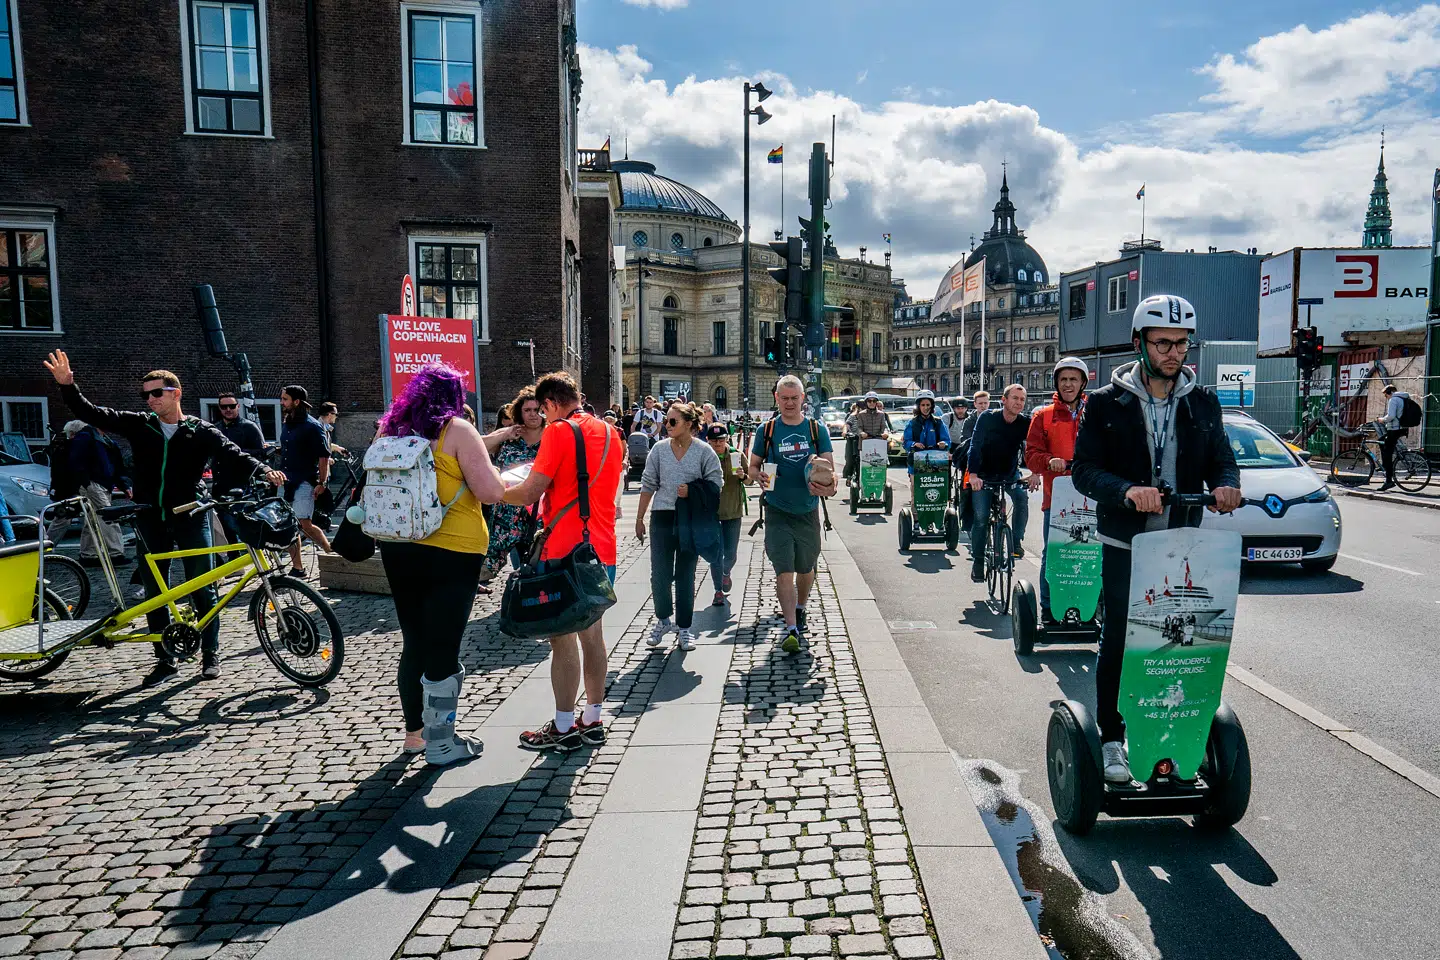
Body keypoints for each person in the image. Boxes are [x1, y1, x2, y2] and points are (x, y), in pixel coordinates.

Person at [1072, 294, 1242, 784]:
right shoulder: (1106, 403)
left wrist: (1226, 485)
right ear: (1140, 343)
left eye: (1182, 344)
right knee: (1123, 639)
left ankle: (1178, 732)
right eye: (1163, 343)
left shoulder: (1204, 402)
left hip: (1185, 541)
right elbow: (1084, 471)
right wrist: (1126, 491)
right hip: (1127, 543)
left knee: (1185, 642)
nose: (1174, 353)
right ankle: (1110, 737)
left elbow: (1220, 458)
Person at [42, 350, 283, 682]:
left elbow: (234, 453)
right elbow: (93, 413)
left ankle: (210, 654)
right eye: (146, 394)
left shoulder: (200, 430)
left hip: (191, 513)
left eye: (157, 393)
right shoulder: (140, 425)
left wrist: (264, 469)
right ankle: (166, 659)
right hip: (149, 515)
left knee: (204, 585)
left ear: (176, 393)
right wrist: (67, 385)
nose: (150, 399)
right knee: (156, 589)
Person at [374, 363, 505, 765]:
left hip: (399, 546)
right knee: (444, 645)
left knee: (414, 640)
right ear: (454, 397)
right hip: (453, 549)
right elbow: (489, 491)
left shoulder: (389, 430)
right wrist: (500, 474)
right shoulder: (457, 431)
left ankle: (415, 736)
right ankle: (441, 743)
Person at [503, 372, 624, 752]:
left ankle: (562, 725)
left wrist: (493, 488)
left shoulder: (557, 432)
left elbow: (530, 490)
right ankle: (593, 718)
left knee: (562, 640)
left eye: (543, 410)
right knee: (594, 638)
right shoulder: (610, 432)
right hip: (601, 547)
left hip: (564, 550)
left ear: (550, 405)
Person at [748, 375, 837, 653]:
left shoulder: (815, 429)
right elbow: (752, 468)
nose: (789, 403)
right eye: (784, 398)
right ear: (776, 398)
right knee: (784, 569)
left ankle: (800, 607)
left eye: (794, 398)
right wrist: (757, 476)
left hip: (808, 510)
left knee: (806, 567)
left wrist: (828, 487)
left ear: (802, 399)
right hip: (777, 510)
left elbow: (830, 473)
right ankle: (790, 628)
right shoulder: (768, 429)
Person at [635, 402, 721, 650]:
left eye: (673, 421)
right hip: (661, 516)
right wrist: (639, 518)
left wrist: (692, 490)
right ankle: (663, 620)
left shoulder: (704, 451)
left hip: (689, 519)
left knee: (685, 574)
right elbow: (648, 483)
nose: (667, 426)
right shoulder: (659, 450)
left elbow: (717, 483)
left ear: (690, 425)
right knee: (660, 574)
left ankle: (684, 628)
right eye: (667, 421)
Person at [1025, 358, 1090, 620]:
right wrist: (1048, 461)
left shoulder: (1094, 414)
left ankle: (1091, 605)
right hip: (1058, 498)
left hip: (1091, 496)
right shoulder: (1044, 416)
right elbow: (1031, 454)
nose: (1068, 384)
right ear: (1056, 383)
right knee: (1055, 552)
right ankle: (1050, 609)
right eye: (1063, 379)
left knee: (1091, 553)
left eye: (1073, 379)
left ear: (1083, 382)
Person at [967, 384, 1041, 582]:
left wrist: (1035, 473)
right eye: (1015, 398)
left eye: (1022, 399)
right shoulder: (988, 418)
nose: (1019, 403)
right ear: (1004, 400)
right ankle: (978, 561)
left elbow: (1034, 447)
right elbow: (975, 445)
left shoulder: (1025, 422)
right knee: (981, 518)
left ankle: (1016, 542)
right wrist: (973, 475)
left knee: (1021, 498)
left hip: (1009, 474)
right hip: (983, 474)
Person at [479, 386, 545, 593]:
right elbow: (477, 447)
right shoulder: (510, 435)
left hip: (540, 508)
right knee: (491, 557)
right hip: (508, 510)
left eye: (537, 409)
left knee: (539, 556)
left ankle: (531, 594)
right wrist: (503, 434)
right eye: (528, 410)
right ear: (520, 413)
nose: (533, 414)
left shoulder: (552, 435)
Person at [44, 420, 127, 565]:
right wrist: (86, 484)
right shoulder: (86, 442)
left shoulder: (80, 444)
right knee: (68, 519)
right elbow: (67, 470)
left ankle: (87, 553)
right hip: (75, 488)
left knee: (87, 521)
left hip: (75, 488)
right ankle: (111, 552)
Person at [277, 385, 332, 577]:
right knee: (288, 525)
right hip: (285, 480)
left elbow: (323, 456)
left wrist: (322, 483)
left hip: (305, 481)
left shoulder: (312, 426)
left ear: (297, 401)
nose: (282, 402)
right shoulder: (287, 422)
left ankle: (329, 551)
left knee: (303, 523)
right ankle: (298, 568)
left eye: (285, 399)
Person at [706, 423, 747, 605]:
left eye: (721, 440)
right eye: (714, 440)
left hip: (732, 510)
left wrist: (743, 476)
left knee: (730, 553)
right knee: (716, 554)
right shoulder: (703, 456)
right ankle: (717, 591)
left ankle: (726, 572)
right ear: (708, 440)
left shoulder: (736, 455)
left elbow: (750, 479)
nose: (718, 443)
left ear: (727, 439)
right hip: (711, 513)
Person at [843, 392, 891, 481]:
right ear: (866, 402)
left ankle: (881, 482)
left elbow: (884, 427)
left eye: (874, 401)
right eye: (869, 401)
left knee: (881, 463)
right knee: (863, 464)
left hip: (878, 442)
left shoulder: (881, 414)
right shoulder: (861, 414)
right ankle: (859, 480)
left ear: (876, 402)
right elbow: (859, 428)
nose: (872, 403)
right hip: (865, 443)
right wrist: (861, 433)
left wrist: (886, 433)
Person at [1376, 383, 1414, 492]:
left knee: (1387, 453)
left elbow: (1391, 416)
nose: (1385, 397)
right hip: (1401, 428)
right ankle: (1385, 463)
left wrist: (1382, 420)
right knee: (1381, 440)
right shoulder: (1403, 398)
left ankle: (1388, 481)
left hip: (1394, 429)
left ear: (1389, 392)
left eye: (1385, 395)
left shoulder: (1393, 400)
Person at [902, 390, 950, 474]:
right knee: (915, 486)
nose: (925, 408)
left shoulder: (938, 422)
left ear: (932, 406)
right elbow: (906, 442)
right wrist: (914, 444)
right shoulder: (912, 423)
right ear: (918, 406)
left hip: (936, 460)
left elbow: (947, 441)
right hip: (915, 460)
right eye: (923, 405)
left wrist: (944, 444)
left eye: (928, 405)